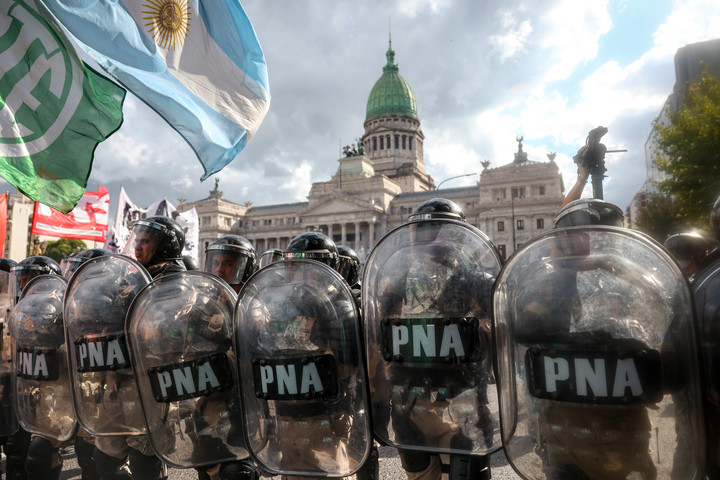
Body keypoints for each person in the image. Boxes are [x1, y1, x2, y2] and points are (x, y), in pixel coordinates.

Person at [368, 198, 498, 480]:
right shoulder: (398, 279)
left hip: (460, 399)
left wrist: (473, 333)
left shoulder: (471, 277)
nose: (424, 240)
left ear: (453, 236)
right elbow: (380, 335)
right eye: (420, 232)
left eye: (434, 231)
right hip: (410, 402)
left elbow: (499, 328)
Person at [93, 216, 187, 480]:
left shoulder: (174, 282)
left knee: (145, 458)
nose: (138, 246)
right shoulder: (134, 276)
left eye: (146, 242)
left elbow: (161, 327)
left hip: (150, 381)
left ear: (165, 246)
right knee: (105, 456)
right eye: (138, 240)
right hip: (118, 374)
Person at [195, 234, 261, 480]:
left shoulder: (254, 305)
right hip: (208, 403)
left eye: (228, 263)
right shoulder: (202, 305)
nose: (219, 269)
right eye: (216, 263)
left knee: (237, 470)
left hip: (243, 406)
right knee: (207, 466)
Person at [8, 257, 68, 479]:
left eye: (28, 279)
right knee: (15, 452)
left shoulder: (60, 311)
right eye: (20, 279)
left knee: (40, 455)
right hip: (22, 392)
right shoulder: (15, 311)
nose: (23, 286)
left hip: (52, 396)